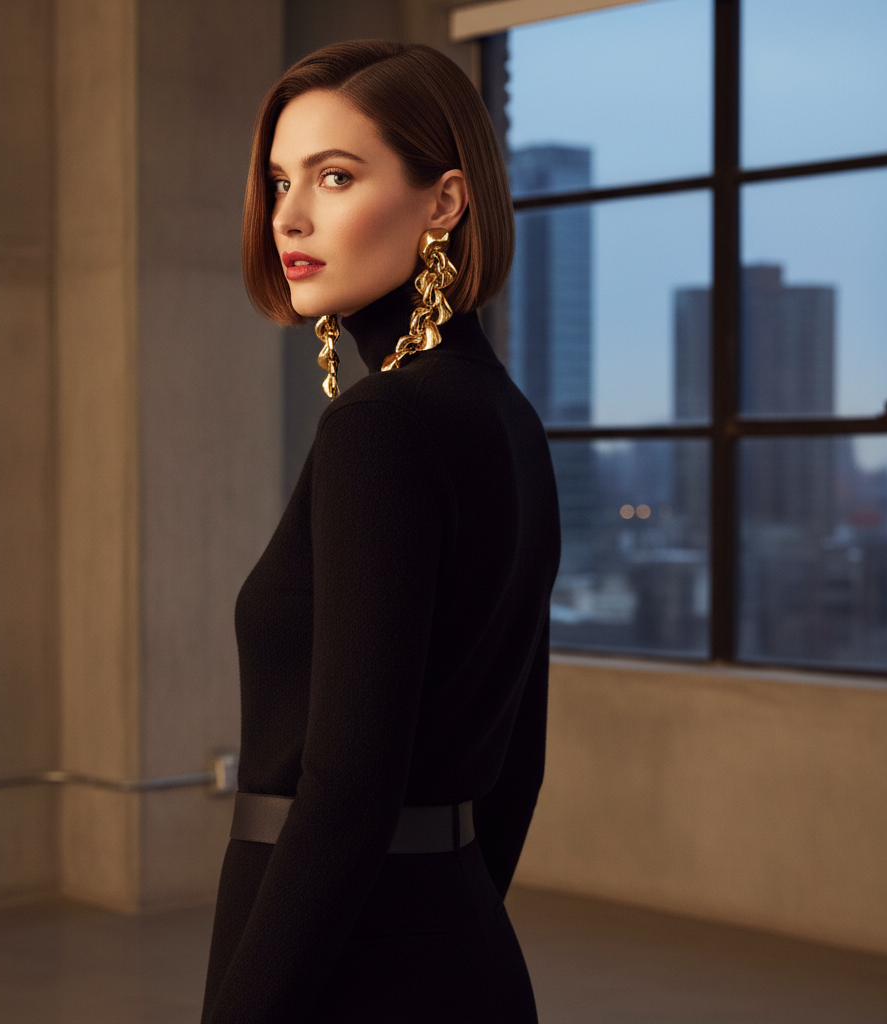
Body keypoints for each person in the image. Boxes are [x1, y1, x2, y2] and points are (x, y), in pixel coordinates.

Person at [201, 39, 561, 1024]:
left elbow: (347, 786)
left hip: (339, 962)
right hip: (456, 945)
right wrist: (447, 917)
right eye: (280, 179)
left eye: (335, 176)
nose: (289, 216)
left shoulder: (380, 426)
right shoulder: (510, 419)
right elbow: (517, 754)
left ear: (444, 201)